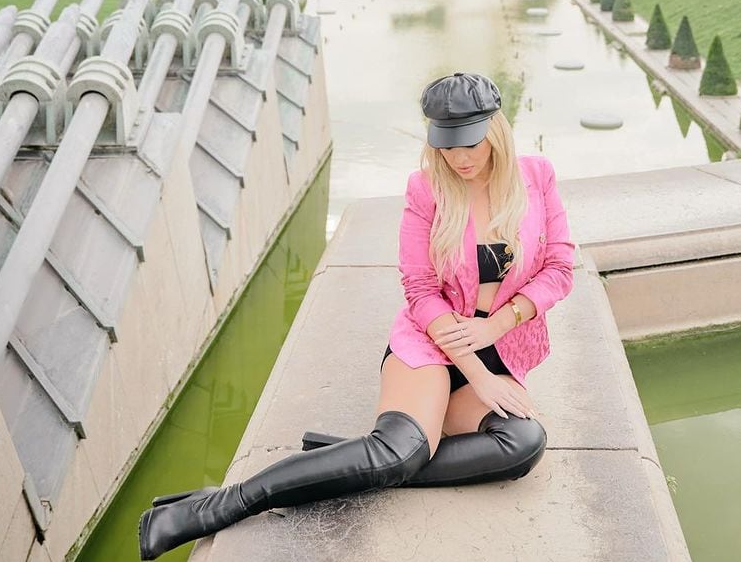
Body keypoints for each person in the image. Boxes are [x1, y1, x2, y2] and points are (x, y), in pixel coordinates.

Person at [137, 71, 575, 560]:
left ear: (496, 129)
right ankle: (218, 506)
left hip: (498, 349)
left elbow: (559, 268)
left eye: (470, 142)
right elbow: (421, 291)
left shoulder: (537, 177)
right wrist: (475, 371)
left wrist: (494, 328)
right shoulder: (427, 188)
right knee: (402, 452)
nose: (460, 157)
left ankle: (341, 462)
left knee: (523, 442)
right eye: (447, 145)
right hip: (430, 346)